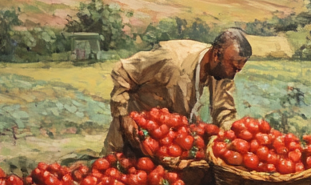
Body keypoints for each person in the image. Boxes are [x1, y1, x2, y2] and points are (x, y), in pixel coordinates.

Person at [103, 29, 249, 155]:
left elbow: (225, 111)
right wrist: (123, 116)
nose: (233, 75)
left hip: (167, 145)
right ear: (217, 54)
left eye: (238, 70)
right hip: (133, 134)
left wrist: (235, 141)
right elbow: (122, 71)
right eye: (233, 68)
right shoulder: (170, 58)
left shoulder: (222, 71)